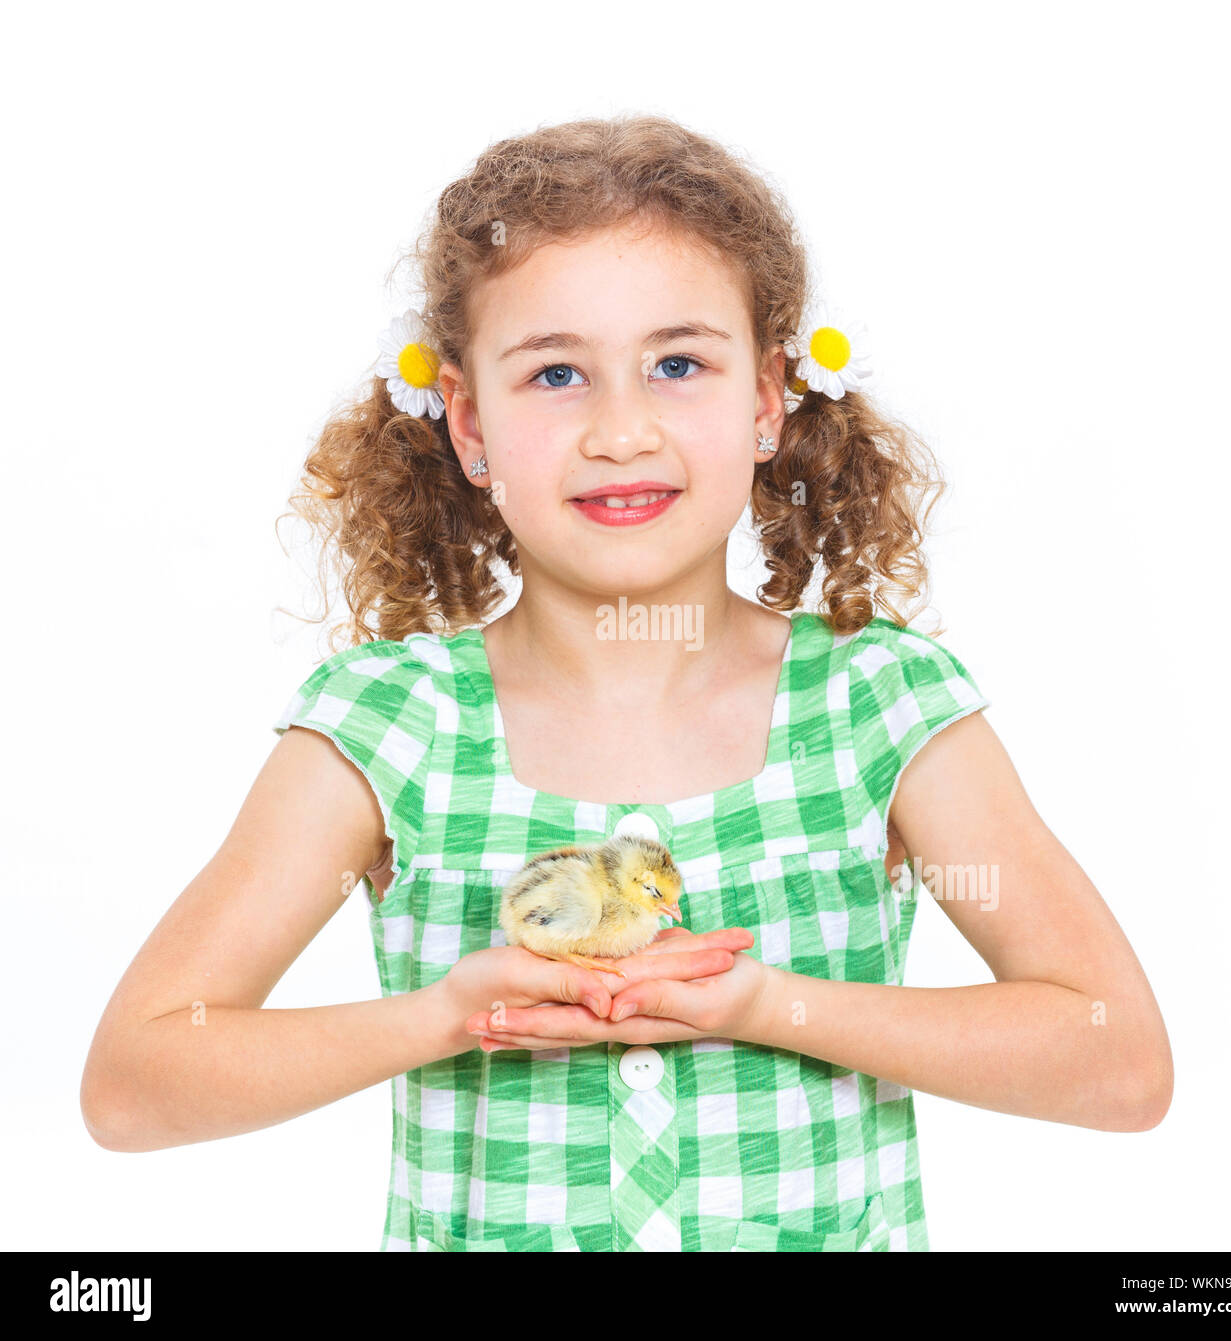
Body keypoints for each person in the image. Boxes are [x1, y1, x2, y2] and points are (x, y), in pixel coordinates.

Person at [80, 112, 1173, 1252]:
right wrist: (455, 1016)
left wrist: (770, 1007)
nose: (619, 429)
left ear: (765, 403)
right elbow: (136, 1081)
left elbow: (1115, 1061)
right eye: (556, 372)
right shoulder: (388, 729)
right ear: (468, 425)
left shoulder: (878, 711)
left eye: (678, 364)